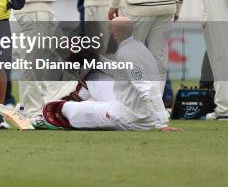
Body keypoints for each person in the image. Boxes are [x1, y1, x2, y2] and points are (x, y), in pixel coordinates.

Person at [42, 18, 173, 131]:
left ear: (117, 34)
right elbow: (122, 72)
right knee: (90, 101)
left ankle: (42, 120)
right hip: (140, 115)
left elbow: (146, 88)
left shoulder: (128, 55)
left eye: (110, 28)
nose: (108, 30)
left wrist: (162, 123)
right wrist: (96, 58)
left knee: (62, 108)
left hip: (128, 118)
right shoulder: (137, 48)